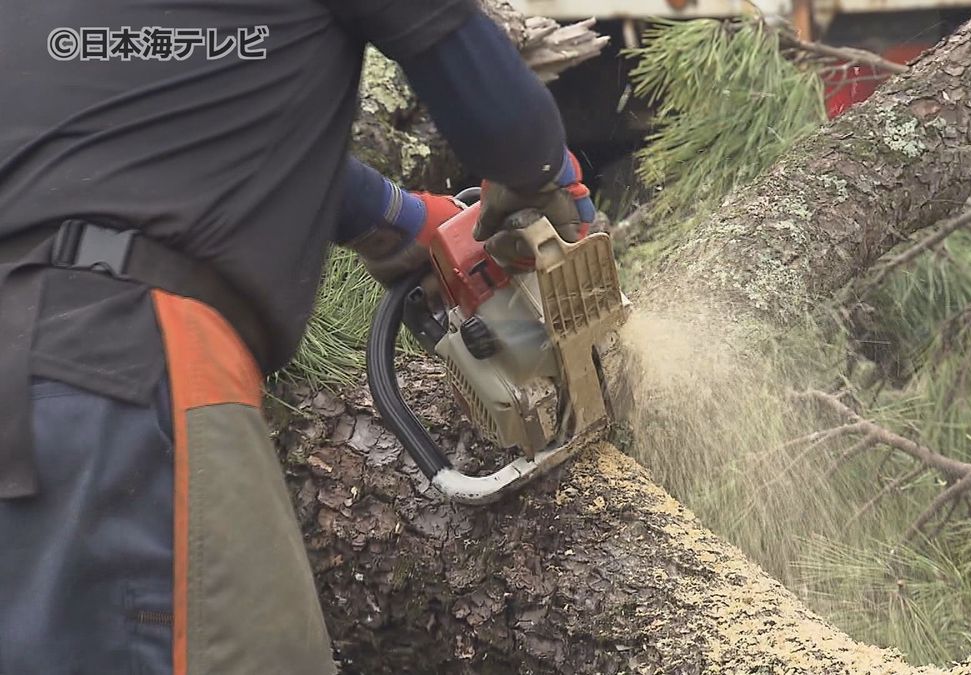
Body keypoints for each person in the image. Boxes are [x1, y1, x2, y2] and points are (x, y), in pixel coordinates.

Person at [0, 1, 595, 673]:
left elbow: (179, 132)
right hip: (125, 372)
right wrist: (543, 175)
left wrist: (400, 219)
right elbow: (492, 103)